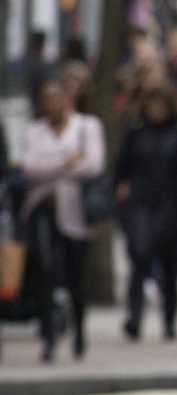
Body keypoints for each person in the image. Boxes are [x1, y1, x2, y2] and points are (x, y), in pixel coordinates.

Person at [21, 78, 106, 361]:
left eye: (56, 97)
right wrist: (67, 161)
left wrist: (52, 165)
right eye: (46, 98)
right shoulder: (34, 131)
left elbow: (93, 164)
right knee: (45, 271)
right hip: (42, 211)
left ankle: (79, 332)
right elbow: (31, 167)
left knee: (75, 277)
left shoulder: (87, 126)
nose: (51, 104)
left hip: (75, 213)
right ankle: (48, 336)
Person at [115, 79, 177, 342]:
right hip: (141, 203)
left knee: (171, 269)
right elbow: (121, 167)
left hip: (172, 206)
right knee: (139, 257)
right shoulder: (136, 132)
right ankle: (135, 317)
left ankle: (169, 321)